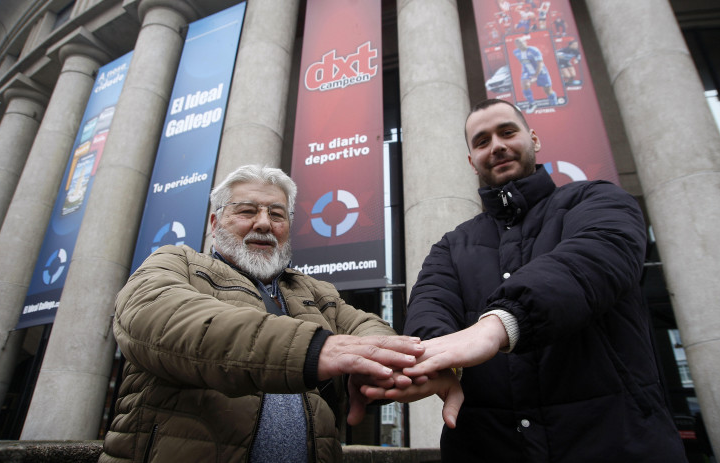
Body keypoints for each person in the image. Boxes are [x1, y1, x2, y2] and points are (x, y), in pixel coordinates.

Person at [364, 99, 687, 462]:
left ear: (533, 139)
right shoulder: (452, 246)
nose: (496, 145)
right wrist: (433, 362)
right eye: (482, 141)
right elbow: (429, 306)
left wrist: (498, 324)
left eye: (507, 132)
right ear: (472, 161)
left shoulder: (599, 200)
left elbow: (590, 261)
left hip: (617, 442)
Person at [99, 165, 425, 463]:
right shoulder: (176, 262)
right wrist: (315, 350)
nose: (265, 223)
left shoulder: (315, 291)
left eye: (278, 215)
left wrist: (372, 365)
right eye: (247, 211)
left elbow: (369, 326)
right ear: (215, 222)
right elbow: (156, 317)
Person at [513, 36, 558, 113]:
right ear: (516, 45)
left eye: (521, 42)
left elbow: (540, 63)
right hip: (527, 72)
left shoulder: (534, 50)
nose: (520, 45)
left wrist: (535, 76)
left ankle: (554, 102)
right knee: (525, 85)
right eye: (518, 44)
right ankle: (532, 103)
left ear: (525, 42)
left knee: (547, 91)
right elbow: (522, 61)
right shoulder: (516, 52)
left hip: (540, 72)